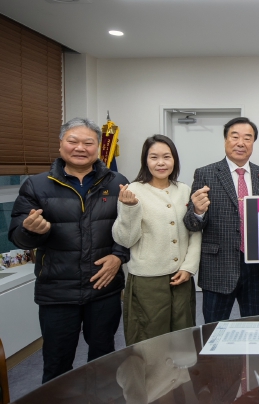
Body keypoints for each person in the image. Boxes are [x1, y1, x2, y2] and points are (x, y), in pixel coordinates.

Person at [8, 117, 130, 383]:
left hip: (103, 288)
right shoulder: (36, 185)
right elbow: (19, 237)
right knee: (57, 364)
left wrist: (118, 256)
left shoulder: (117, 182)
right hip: (57, 291)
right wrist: (31, 230)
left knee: (104, 360)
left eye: (88, 142)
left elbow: (129, 227)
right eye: (73, 141)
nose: (80, 148)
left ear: (98, 147)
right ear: (61, 143)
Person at [183, 117, 259, 324]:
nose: (241, 143)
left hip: (255, 267)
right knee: (214, 329)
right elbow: (192, 223)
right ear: (225, 140)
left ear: (253, 142)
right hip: (218, 266)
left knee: (256, 327)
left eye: (248, 138)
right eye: (235, 137)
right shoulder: (206, 174)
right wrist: (198, 211)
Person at [112, 135, 201, 345]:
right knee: (149, 340)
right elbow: (125, 240)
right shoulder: (132, 191)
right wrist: (130, 208)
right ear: (145, 160)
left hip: (181, 276)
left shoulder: (184, 190)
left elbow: (195, 232)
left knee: (182, 338)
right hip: (147, 279)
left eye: (166, 157)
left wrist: (189, 268)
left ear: (174, 160)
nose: (161, 163)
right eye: (154, 157)